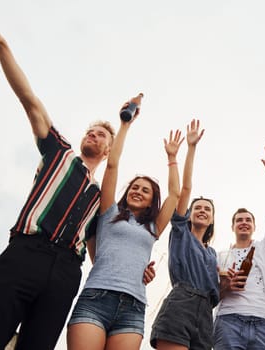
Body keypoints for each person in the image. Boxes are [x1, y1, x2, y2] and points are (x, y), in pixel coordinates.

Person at [0, 2, 114, 349]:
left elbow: (97, 253)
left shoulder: (101, 197)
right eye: (90, 131)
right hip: (25, 253)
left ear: (109, 151)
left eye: (101, 135)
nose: (93, 135)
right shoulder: (59, 152)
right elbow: (29, 100)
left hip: (65, 273)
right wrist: (1, 44)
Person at [66, 94, 184, 349]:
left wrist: (172, 158)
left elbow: (175, 194)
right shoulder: (108, 213)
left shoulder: (153, 228)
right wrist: (125, 125)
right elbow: (112, 166)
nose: (138, 191)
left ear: (152, 201)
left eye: (145, 190)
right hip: (96, 298)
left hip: (133, 306)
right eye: (135, 187)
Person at [150, 120, 219, 350]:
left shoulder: (212, 254)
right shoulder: (181, 232)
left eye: (207, 209)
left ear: (211, 220)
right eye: (197, 207)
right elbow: (185, 189)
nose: (201, 210)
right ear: (187, 215)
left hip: (206, 313)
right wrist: (191, 149)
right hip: (181, 303)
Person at [213, 143, 265, 350]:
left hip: (262, 322)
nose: (244, 222)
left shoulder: (264, 248)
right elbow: (211, 293)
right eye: (239, 220)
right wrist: (225, 286)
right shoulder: (220, 256)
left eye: (248, 220)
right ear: (232, 226)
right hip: (228, 321)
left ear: (254, 226)